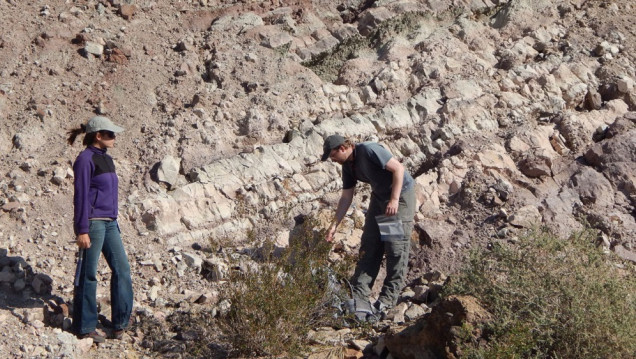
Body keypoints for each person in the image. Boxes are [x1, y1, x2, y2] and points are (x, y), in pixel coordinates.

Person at [322, 134, 415, 319]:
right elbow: (346, 197)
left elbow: (398, 169)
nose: (332, 160)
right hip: (379, 198)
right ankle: (359, 296)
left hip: (398, 196)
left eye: (332, 155)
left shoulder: (367, 150)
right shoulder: (348, 166)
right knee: (370, 244)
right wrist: (334, 225)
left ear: (342, 148)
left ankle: (387, 301)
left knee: (394, 247)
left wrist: (394, 200)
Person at [67, 116, 133, 342]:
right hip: (93, 224)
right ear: (98, 136)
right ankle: (85, 326)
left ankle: (121, 322)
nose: (114, 137)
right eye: (111, 134)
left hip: (111, 223)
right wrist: (81, 230)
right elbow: (81, 195)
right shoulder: (85, 160)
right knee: (89, 274)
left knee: (122, 269)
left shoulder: (107, 159)